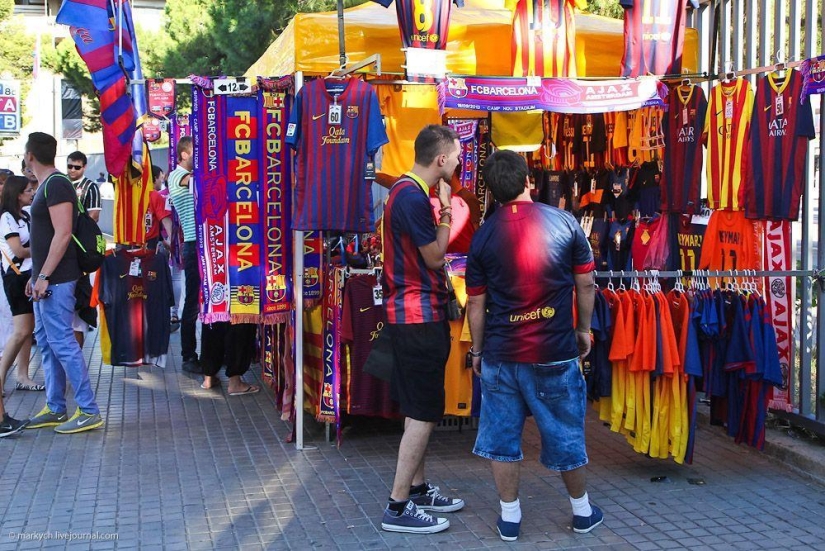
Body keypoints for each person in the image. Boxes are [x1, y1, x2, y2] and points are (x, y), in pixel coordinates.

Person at [465, 150, 601, 542]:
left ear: (491, 192)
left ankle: (510, 517)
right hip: (554, 350)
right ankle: (582, 511)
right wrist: (584, 330)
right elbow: (586, 283)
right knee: (564, 432)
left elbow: (476, 302)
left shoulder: (484, 236)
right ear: (529, 180)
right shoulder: (563, 221)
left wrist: (477, 351)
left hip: (502, 354)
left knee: (502, 437)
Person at [380, 124, 464, 535]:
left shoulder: (404, 190)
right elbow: (434, 257)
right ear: (441, 159)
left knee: (418, 408)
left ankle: (417, 490)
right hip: (417, 316)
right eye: (458, 154)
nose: (462, 160)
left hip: (411, 314)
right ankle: (397, 506)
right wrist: (447, 211)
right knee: (425, 413)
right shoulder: (413, 196)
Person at [24, 132, 104, 434]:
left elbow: (63, 233)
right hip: (47, 280)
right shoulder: (50, 184)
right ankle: (56, 407)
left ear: (30, 155)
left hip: (57, 280)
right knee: (47, 343)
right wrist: (37, 277)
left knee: (63, 344)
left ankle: (88, 410)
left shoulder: (56, 184)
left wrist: (43, 276)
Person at [0, 176, 42, 392]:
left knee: (27, 330)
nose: (32, 193)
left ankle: (22, 375)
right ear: (17, 194)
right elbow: (18, 250)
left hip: (29, 275)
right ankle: (2, 375)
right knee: (21, 331)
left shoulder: (24, 215)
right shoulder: (7, 217)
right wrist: (44, 249)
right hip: (16, 278)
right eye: (28, 190)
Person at [167, 137, 200, 373]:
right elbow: (196, 181)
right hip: (193, 243)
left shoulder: (181, 176)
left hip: (199, 243)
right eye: (194, 151)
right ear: (184, 155)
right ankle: (188, 355)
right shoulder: (177, 176)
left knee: (199, 301)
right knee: (193, 302)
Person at [66, 151, 101, 348]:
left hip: (79, 251)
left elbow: (93, 217)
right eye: (69, 166)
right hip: (62, 248)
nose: (72, 170)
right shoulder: (61, 182)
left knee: (78, 301)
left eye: (76, 167)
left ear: (84, 167)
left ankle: (76, 354)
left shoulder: (90, 187)